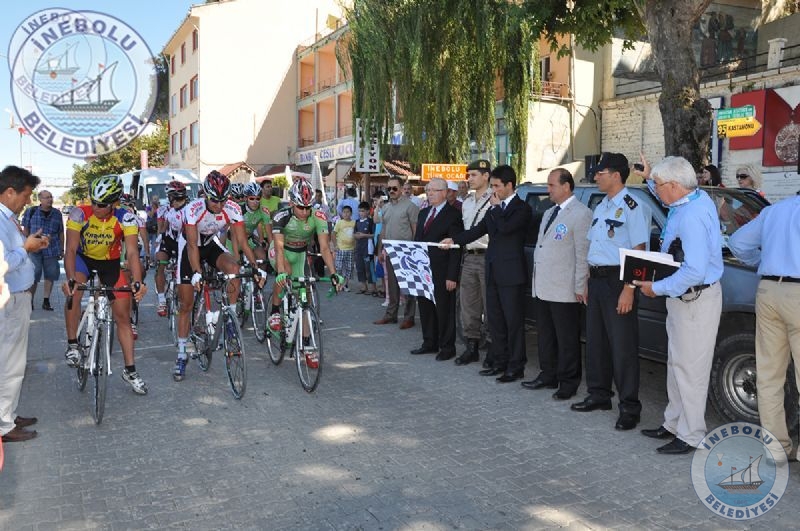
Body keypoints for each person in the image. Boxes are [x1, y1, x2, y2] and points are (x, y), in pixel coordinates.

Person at [634, 156, 724, 454]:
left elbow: (694, 270)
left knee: (691, 370)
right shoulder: (690, 200)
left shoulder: (692, 216)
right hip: (685, 298)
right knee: (676, 365)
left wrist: (656, 288)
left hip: (695, 298)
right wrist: (650, 177)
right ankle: (673, 423)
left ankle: (691, 434)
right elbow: (665, 193)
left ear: (674, 185)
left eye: (659, 186)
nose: (655, 191)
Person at [570, 153, 650, 431]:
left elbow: (639, 252)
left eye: (600, 172)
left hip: (620, 281)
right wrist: (586, 282)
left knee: (623, 346)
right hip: (598, 280)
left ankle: (629, 407)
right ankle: (599, 394)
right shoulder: (602, 205)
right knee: (596, 342)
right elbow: (594, 249)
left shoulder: (632, 206)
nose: (595, 177)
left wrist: (629, 289)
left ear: (616, 175)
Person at [173, 171, 266, 382]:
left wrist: (254, 267)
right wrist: (196, 273)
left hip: (210, 244)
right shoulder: (193, 209)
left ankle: (231, 318)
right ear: (206, 194)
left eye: (223, 200)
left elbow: (241, 242)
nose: (218, 204)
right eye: (214, 200)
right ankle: (181, 354)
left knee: (235, 268)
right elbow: (191, 245)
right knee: (186, 303)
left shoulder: (232, 208)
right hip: (190, 247)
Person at [443, 165, 532, 383]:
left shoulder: (521, 208)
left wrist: (498, 207)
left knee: (513, 321)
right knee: (496, 320)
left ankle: (516, 365)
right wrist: (454, 240)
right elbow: (479, 230)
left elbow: (506, 229)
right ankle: (499, 361)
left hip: (511, 274)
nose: (494, 190)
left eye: (497, 186)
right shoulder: (495, 209)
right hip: (492, 270)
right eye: (492, 186)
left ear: (509, 186)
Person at [62, 175, 149, 395]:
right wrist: (70, 279)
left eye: (101, 204)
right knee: (74, 293)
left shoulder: (126, 218)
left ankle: (130, 370)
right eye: (93, 201)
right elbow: (70, 250)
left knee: (123, 315)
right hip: (83, 259)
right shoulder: (79, 213)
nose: (96, 207)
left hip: (109, 263)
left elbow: (131, 253)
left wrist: (137, 282)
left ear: (114, 203)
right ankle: (73, 344)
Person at [729, 193, 800, 460]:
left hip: (769, 289)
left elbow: (737, 242)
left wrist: (764, 263)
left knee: (769, 375)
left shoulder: (775, 210)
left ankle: (775, 449)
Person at [522, 168, 592, 400]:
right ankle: (548, 373)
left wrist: (581, 285)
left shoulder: (581, 214)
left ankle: (568, 381)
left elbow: (582, 254)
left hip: (565, 288)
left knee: (567, 338)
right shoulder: (549, 212)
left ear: (566, 186)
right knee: (546, 335)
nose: (548, 190)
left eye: (552, 185)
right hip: (543, 286)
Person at [0, 166, 47, 443]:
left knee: (13, 363)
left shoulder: (9, 218)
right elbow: (3, 263)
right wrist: (25, 249)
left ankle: (8, 413)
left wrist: (31, 244)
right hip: (10, 299)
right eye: (26, 195)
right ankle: (4, 425)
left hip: (18, 297)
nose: (28, 201)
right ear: (9, 192)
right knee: (10, 364)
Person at [268, 179, 344, 341]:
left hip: (300, 253)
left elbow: (324, 248)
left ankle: (307, 342)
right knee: (285, 274)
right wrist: (281, 272)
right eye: (300, 207)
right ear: (291, 203)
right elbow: (279, 247)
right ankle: (274, 311)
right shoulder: (282, 216)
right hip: (280, 250)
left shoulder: (318, 216)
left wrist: (333, 273)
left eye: (307, 208)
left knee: (305, 297)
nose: (304, 212)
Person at [410, 178, 463, 360]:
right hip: (423, 269)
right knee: (425, 307)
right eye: (428, 189)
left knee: (444, 309)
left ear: (444, 192)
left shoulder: (453, 215)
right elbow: (418, 241)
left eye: (434, 190)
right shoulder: (423, 213)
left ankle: (447, 347)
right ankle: (429, 342)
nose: (430, 193)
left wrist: (452, 276)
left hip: (443, 270)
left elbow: (456, 248)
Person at [454, 159, 493, 367]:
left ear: (486, 176)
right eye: (468, 175)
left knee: (490, 303)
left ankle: (493, 349)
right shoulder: (467, 202)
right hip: (469, 256)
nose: (469, 179)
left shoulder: (493, 199)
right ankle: (471, 347)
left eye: (473, 175)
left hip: (488, 256)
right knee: (469, 304)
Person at [375, 176, 419, 329]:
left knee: (407, 286)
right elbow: (383, 230)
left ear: (401, 189)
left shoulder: (411, 206)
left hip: (406, 251)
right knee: (392, 286)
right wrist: (380, 250)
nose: (391, 191)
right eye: (389, 189)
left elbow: (415, 230)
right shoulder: (386, 207)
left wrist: (414, 251)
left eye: (394, 188)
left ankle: (409, 317)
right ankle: (391, 315)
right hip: (390, 250)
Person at [22, 189, 63, 311]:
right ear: (40, 199)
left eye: (51, 197)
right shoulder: (31, 211)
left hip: (52, 250)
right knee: (33, 275)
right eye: (46, 197)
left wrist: (62, 249)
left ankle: (46, 301)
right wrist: (26, 246)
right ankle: (30, 301)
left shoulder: (57, 213)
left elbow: (61, 232)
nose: (50, 199)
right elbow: (25, 231)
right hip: (35, 250)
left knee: (50, 276)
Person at [154, 181, 189, 316]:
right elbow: (164, 226)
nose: (171, 201)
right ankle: (162, 301)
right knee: (161, 263)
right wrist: (159, 239)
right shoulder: (167, 209)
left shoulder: (189, 210)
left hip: (184, 242)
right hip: (168, 242)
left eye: (173, 198)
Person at [354, 201, 376, 295]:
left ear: (368, 211)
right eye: (359, 211)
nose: (361, 213)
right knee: (360, 267)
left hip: (368, 248)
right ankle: (363, 287)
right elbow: (354, 233)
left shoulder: (371, 222)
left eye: (363, 211)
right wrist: (356, 236)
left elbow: (374, 235)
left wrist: (364, 235)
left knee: (368, 268)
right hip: (359, 248)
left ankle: (372, 288)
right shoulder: (357, 222)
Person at [332, 205, 356, 291]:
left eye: (348, 212)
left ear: (351, 213)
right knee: (339, 267)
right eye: (344, 212)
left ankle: (346, 284)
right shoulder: (339, 222)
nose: (346, 214)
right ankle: (338, 284)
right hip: (340, 249)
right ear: (342, 213)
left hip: (351, 249)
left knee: (349, 268)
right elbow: (333, 234)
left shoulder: (354, 223)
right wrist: (335, 245)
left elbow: (356, 235)